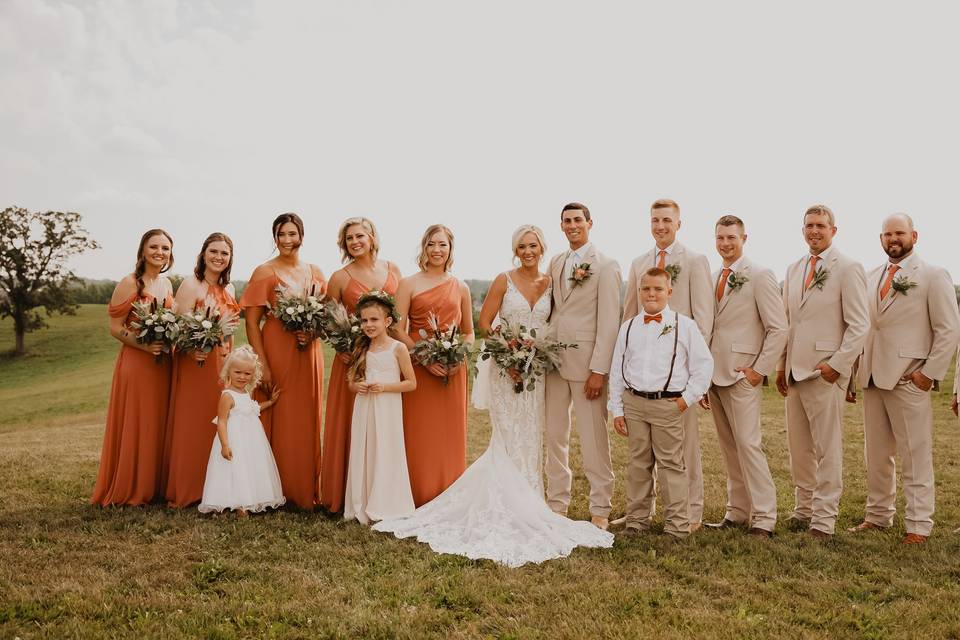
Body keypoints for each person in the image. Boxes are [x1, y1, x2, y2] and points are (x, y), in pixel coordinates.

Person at [375, 225, 614, 566]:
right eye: (522, 245)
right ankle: (503, 502)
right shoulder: (504, 279)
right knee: (507, 435)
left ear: (542, 248)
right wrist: (511, 352)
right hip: (507, 367)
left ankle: (531, 498)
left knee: (533, 434)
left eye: (533, 245)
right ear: (515, 250)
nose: (528, 250)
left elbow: (554, 323)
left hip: (537, 371)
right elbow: (485, 323)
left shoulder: (551, 283)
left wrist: (535, 353)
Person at [847, 214, 960, 544]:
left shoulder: (933, 276)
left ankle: (918, 524)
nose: (893, 239)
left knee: (915, 454)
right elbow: (865, 327)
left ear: (914, 235)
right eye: (887, 234)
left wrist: (928, 374)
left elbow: (948, 329)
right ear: (880, 238)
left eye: (899, 233)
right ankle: (879, 515)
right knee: (877, 454)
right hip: (871, 377)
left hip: (909, 379)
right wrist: (855, 373)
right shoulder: (869, 277)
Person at [776, 204, 869, 538]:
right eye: (808, 226)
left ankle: (825, 518)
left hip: (824, 372)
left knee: (827, 448)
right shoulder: (793, 268)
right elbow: (789, 322)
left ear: (833, 229)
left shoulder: (848, 268)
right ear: (802, 231)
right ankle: (803, 509)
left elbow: (859, 325)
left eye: (820, 225)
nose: (814, 231)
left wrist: (837, 366)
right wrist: (781, 364)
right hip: (794, 373)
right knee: (799, 448)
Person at [622, 199, 713, 531]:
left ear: (679, 223)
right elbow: (631, 313)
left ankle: (691, 513)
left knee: (683, 451)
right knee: (643, 453)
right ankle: (641, 512)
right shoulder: (638, 263)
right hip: (644, 376)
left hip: (678, 377)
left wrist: (690, 382)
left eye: (667, 220)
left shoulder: (695, 260)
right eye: (655, 220)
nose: (661, 226)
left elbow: (703, 318)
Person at [610, 268, 714, 539]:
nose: (652, 294)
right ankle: (636, 521)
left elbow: (704, 366)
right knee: (638, 464)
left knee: (671, 466)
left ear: (669, 291)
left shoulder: (684, 325)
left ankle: (677, 525)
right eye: (646, 289)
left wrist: (685, 401)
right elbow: (617, 369)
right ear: (639, 292)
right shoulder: (629, 326)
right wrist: (617, 409)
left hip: (668, 404)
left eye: (658, 289)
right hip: (634, 403)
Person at [702, 215, 787, 537]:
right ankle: (736, 512)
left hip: (741, 375)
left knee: (749, 445)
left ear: (744, 238)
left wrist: (758, 370)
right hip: (714, 375)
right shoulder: (711, 277)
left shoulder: (760, 275)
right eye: (720, 237)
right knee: (729, 448)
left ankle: (765, 518)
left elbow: (778, 328)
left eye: (731, 238)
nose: (725, 243)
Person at [239, 213, 326, 510]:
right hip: (276, 348)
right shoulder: (265, 271)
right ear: (274, 238)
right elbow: (252, 323)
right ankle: (271, 490)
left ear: (302, 235)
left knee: (305, 417)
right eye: (281, 234)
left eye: (292, 234)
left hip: (308, 351)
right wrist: (261, 364)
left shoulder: (315, 272)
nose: (287, 240)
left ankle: (304, 489)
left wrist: (311, 332)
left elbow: (324, 317)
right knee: (277, 413)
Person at [544, 203, 620, 531]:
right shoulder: (556, 262)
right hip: (553, 362)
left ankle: (600, 507)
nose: (572, 225)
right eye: (567, 221)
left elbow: (609, 322)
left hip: (587, 364)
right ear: (561, 226)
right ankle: (556, 503)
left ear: (590, 223)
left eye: (578, 220)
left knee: (593, 438)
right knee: (554, 435)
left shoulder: (606, 266)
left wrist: (599, 369)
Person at [320, 217, 401, 514]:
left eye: (359, 236)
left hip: (388, 360)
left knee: (386, 425)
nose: (355, 242)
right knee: (349, 424)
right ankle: (346, 492)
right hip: (354, 360)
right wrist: (343, 349)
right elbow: (328, 320)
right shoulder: (340, 277)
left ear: (371, 237)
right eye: (349, 239)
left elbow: (399, 315)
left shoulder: (394, 270)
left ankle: (386, 491)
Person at [91, 229, 176, 506]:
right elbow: (115, 328)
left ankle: (153, 488)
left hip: (163, 364)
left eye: (165, 248)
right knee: (137, 422)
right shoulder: (129, 283)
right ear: (142, 250)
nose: (159, 253)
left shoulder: (167, 284)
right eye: (154, 247)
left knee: (157, 423)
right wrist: (143, 346)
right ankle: (129, 488)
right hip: (137, 363)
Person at [393, 224, 474, 507]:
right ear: (423, 248)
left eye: (442, 244)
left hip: (452, 369)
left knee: (449, 434)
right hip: (417, 365)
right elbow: (396, 328)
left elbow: (469, 331)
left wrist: (458, 356)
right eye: (431, 244)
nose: (437, 250)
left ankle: (449, 492)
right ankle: (417, 491)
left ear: (451, 249)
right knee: (420, 433)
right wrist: (424, 356)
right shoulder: (409, 283)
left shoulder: (460, 286)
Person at [163, 232, 240, 508]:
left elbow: (230, 330)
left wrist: (231, 360)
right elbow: (176, 329)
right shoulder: (190, 285)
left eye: (224, 253)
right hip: (194, 363)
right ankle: (189, 488)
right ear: (203, 254)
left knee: (217, 422)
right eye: (214, 252)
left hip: (220, 365)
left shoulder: (229, 290)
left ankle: (217, 489)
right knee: (193, 423)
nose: (219, 257)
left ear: (230, 258)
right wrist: (189, 347)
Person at [343, 293, 417, 524]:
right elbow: (351, 383)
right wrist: (359, 386)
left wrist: (384, 387)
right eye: (364, 321)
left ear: (387, 321)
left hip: (387, 406)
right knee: (365, 449)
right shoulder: (362, 347)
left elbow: (412, 383)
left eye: (374, 320)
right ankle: (361, 502)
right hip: (364, 407)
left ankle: (386, 503)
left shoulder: (398, 348)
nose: (368, 325)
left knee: (385, 449)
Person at [198, 346, 285, 516]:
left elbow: (251, 409)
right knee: (235, 469)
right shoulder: (227, 396)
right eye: (238, 372)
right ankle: (237, 504)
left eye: (247, 374)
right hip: (233, 440)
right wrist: (224, 444)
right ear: (228, 371)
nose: (242, 377)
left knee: (247, 468)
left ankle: (247, 500)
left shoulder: (246, 393)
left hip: (250, 440)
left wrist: (270, 402)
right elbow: (222, 421)